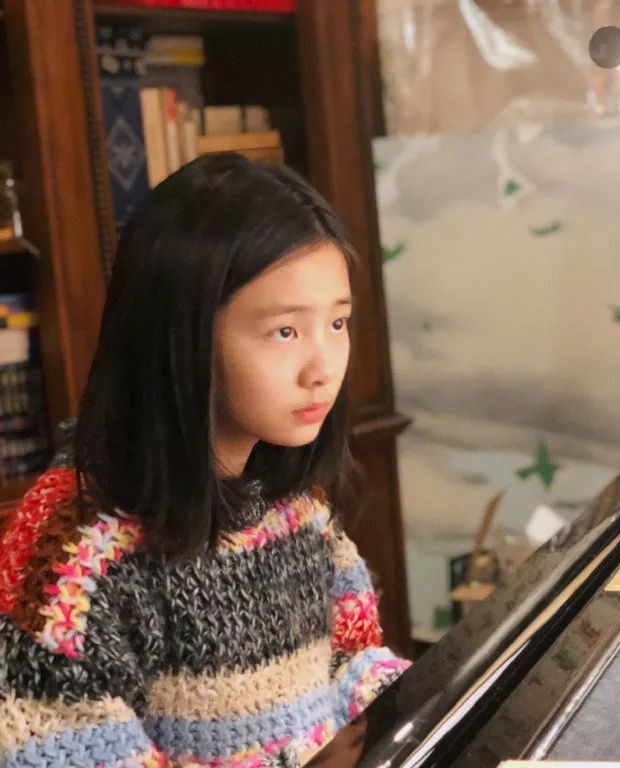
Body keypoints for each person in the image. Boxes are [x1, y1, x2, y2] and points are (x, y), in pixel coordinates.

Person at [0, 154, 410, 767]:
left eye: (338, 322)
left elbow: (352, 660)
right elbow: (51, 747)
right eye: (285, 332)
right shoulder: (73, 548)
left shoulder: (293, 502)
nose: (324, 368)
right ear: (183, 335)